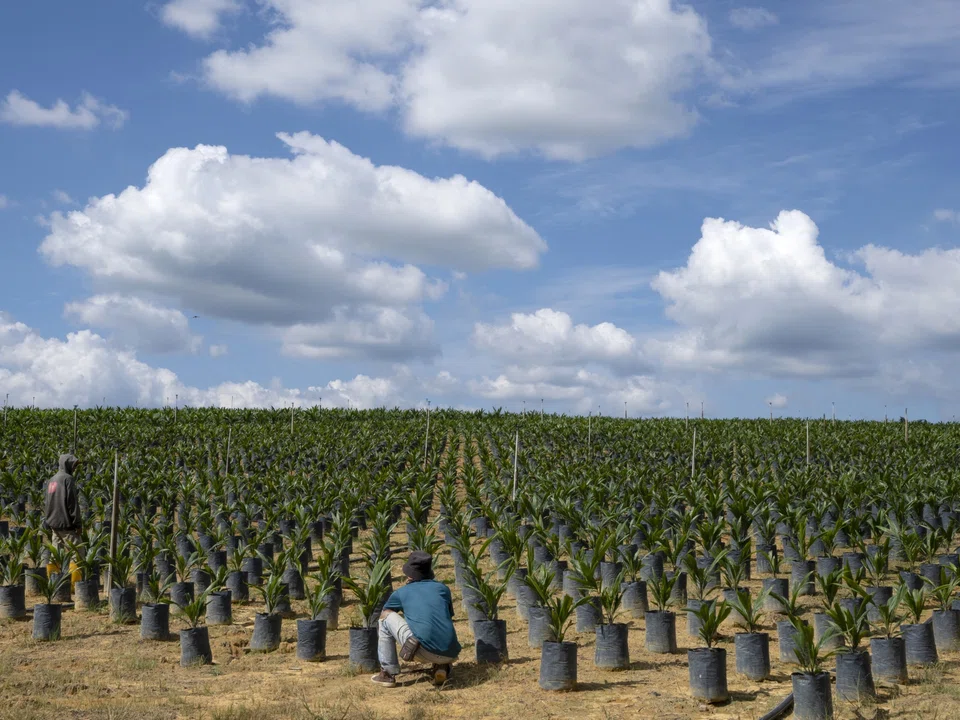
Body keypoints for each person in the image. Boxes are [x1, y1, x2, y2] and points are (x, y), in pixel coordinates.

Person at [371, 551, 461, 688]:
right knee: (436, 623)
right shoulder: (443, 589)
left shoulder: (401, 593)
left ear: (409, 574)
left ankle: (387, 673)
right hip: (451, 652)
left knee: (385, 617)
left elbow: (387, 612)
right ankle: (441, 666)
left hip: (423, 651)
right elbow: (446, 616)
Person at [44, 453, 82, 548]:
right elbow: (72, 503)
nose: (74, 468)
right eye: (73, 465)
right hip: (66, 525)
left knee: (56, 555)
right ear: (67, 464)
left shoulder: (52, 479)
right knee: (77, 554)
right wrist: (77, 524)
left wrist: (48, 521)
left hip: (54, 524)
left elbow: (47, 502)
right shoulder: (68, 479)